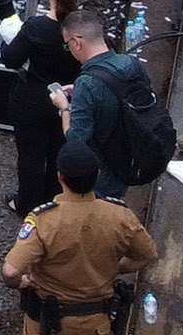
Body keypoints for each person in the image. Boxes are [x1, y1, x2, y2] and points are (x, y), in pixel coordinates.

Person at [3, 143, 158, 335]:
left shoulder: (44, 220)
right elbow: (148, 254)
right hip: (96, 321)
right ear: (97, 176)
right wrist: (115, 269)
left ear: (60, 177)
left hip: (48, 322)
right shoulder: (119, 216)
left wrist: (21, 282)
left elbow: (10, 271)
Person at [51, 13, 153, 203]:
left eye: (68, 45)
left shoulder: (87, 84)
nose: (70, 50)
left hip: (102, 177)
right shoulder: (132, 64)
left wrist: (64, 108)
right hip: (130, 160)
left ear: (77, 43)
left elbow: (76, 139)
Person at [8, 0, 81, 214]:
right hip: (70, 99)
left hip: (32, 99)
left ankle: (26, 201)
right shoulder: (82, 28)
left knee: (30, 155)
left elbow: (11, 59)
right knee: (59, 150)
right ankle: (55, 199)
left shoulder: (36, 27)